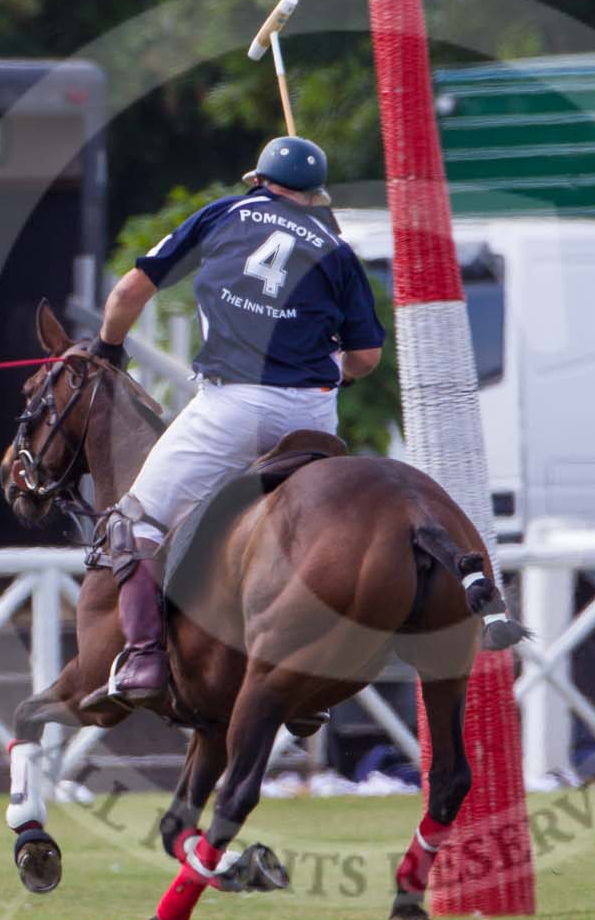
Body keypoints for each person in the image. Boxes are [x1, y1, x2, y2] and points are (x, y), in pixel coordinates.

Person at [86, 136, 386, 709]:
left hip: (231, 408)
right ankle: (314, 680)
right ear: (314, 196)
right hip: (313, 412)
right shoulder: (337, 249)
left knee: (134, 522)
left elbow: (129, 290)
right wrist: (335, 373)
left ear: (259, 182)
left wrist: (108, 348)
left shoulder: (224, 213)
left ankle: (146, 659)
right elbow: (366, 358)